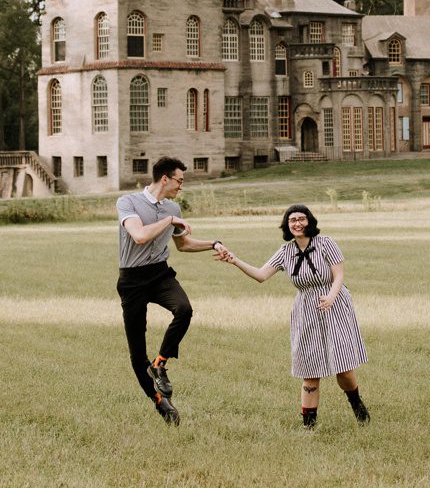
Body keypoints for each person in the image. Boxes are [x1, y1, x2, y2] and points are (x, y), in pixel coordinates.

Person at [215, 203, 369, 428]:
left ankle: (357, 405)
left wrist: (331, 297)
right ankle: (309, 426)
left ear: (309, 221)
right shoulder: (285, 252)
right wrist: (234, 260)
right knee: (310, 368)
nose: (297, 223)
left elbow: (339, 276)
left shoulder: (326, 243)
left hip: (335, 305)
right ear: (287, 225)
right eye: (292, 220)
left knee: (343, 367)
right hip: (306, 309)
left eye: (301, 218)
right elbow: (261, 275)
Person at [116, 156, 226, 425]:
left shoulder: (172, 207)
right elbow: (139, 236)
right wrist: (170, 221)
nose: (181, 186)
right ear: (165, 178)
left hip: (160, 273)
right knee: (136, 353)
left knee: (184, 309)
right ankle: (160, 402)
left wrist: (214, 244)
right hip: (132, 280)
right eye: (180, 180)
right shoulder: (128, 202)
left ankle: (161, 363)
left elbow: (183, 244)